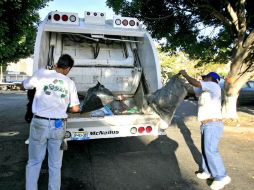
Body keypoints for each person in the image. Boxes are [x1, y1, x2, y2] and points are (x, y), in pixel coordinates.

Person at [22, 54, 80, 190]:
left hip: (39, 123)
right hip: (58, 125)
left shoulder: (42, 74)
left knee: (34, 162)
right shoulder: (69, 83)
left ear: (57, 64)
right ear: (68, 69)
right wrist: (63, 108)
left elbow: (25, 85)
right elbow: (76, 108)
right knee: (55, 164)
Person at [179, 70, 231, 190]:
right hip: (207, 124)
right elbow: (193, 87)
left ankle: (221, 176)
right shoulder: (204, 90)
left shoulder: (213, 86)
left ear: (211, 78)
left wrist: (186, 74)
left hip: (213, 124)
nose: (202, 79)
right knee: (206, 150)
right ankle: (207, 171)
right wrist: (184, 81)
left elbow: (196, 83)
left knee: (211, 150)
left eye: (205, 77)